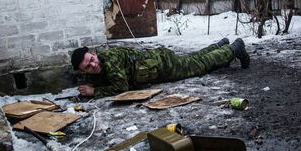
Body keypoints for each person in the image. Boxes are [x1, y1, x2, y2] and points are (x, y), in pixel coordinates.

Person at [70, 38, 250, 98]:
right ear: (83, 71)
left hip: (165, 66)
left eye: (91, 59)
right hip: (159, 59)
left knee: (200, 65)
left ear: (94, 52)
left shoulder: (109, 60)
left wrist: (95, 92)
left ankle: (233, 49)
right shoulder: (98, 69)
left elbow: (121, 87)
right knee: (194, 59)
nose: (93, 64)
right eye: (88, 66)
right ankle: (220, 45)